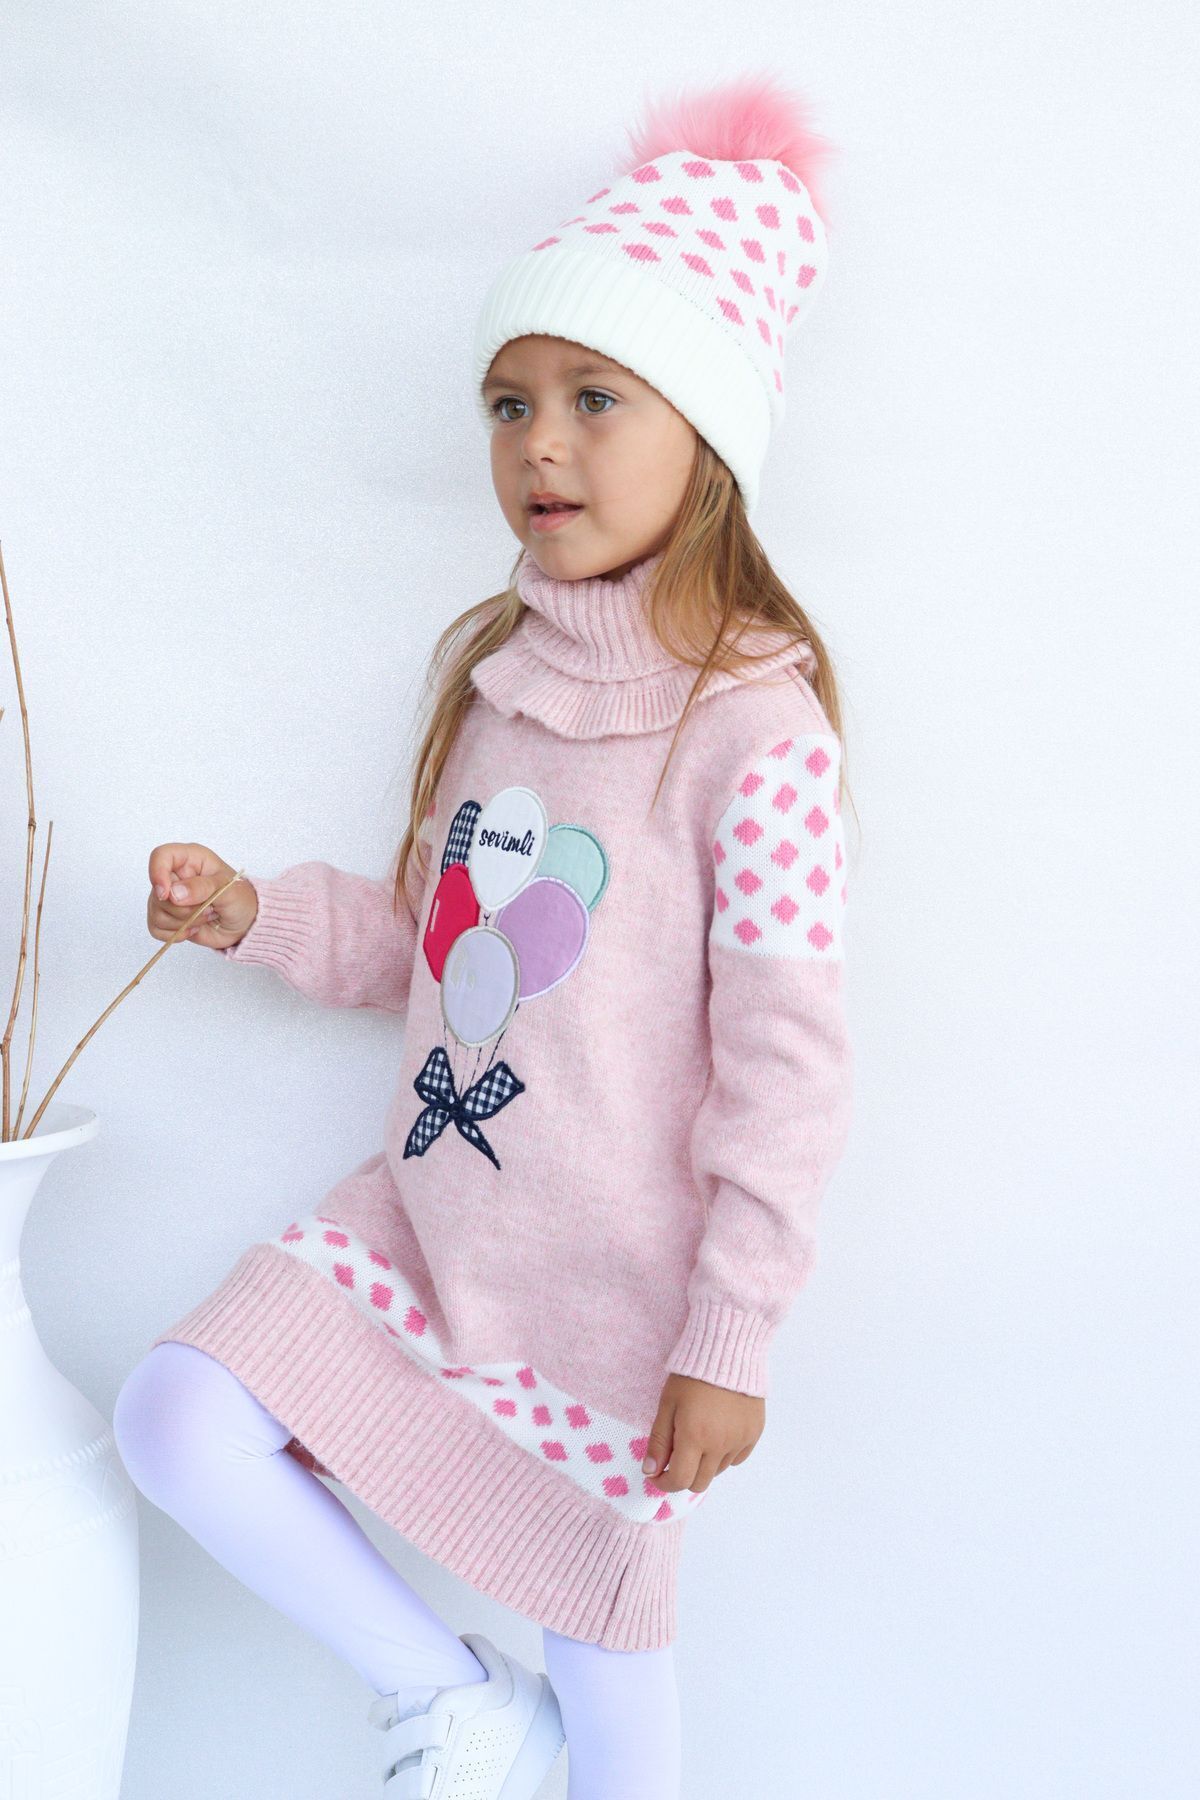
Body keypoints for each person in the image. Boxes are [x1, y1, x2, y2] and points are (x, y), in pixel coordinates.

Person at [113, 68, 855, 1800]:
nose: (540, 444)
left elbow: (791, 1065)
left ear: (709, 434)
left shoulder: (760, 737)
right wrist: (254, 914)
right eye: (509, 403)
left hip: (611, 1294)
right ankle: (460, 1708)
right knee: (178, 1415)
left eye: (596, 398)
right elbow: (442, 947)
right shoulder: (502, 685)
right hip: (430, 1221)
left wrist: (730, 1335)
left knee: (609, 1666)